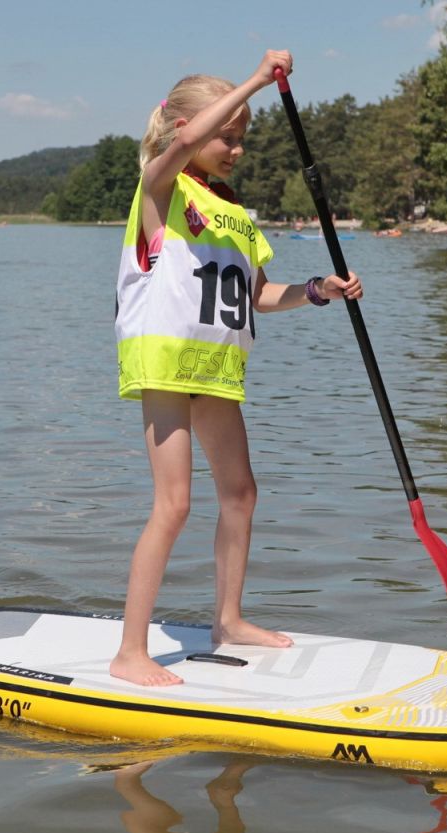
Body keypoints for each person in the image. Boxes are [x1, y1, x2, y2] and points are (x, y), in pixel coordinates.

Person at [110, 50, 364, 687]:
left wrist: (316, 290)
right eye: (228, 134)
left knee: (241, 494)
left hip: (216, 368)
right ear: (183, 131)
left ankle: (227, 619)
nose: (236, 148)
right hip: (167, 365)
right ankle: (131, 652)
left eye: (244, 137)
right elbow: (189, 136)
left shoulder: (236, 213)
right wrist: (257, 81)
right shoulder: (159, 186)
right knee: (174, 503)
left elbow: (256, 295)